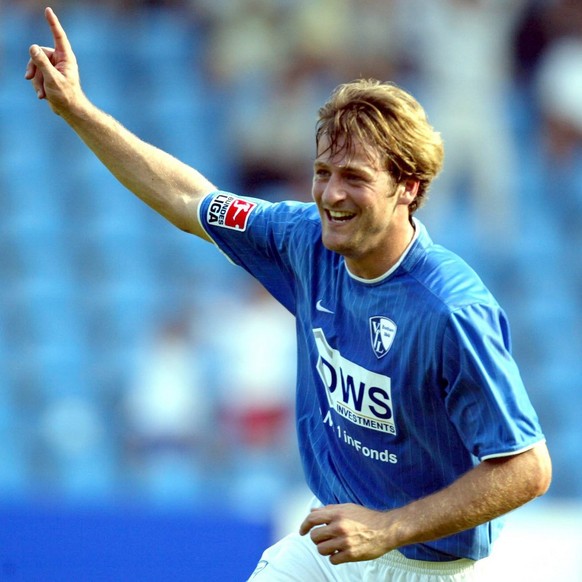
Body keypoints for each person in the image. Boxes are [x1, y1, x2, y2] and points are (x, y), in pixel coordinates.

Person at [25, 7, 552, 581]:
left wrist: (389, 527)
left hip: (426, 568)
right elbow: (188, 200)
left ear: (409, 187)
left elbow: (527, 466)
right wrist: (77, 110)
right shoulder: (303, 239)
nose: (331, 194)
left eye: (355, 177)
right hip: (327, 548)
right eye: (323, 172)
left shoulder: (448, 308)